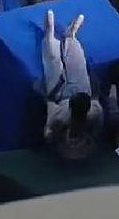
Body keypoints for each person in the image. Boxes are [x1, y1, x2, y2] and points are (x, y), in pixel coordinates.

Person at [42, 11, 103, 160]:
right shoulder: (95, 112)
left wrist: (57, 85)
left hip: (60, 95)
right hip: (82, 88)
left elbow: (49, 101)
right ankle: (70, 36)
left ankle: (50, 35)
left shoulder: (60, 118)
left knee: (53, 62)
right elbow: (96, 94)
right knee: (78, 61)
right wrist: (90, 74)